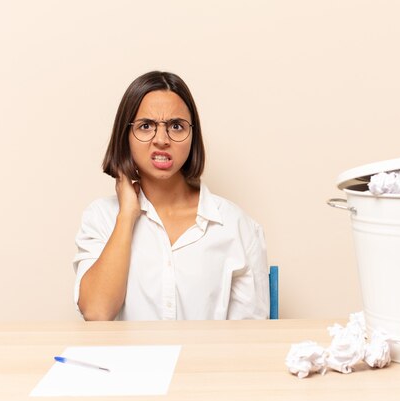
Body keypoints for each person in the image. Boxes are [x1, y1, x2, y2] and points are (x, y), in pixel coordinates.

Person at [73, 71, 269, 321]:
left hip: (207, 361)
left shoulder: (236, 225)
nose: (162, 140)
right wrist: (126, 216)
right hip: (127, 362)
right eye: (146, 126)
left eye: (176, 126)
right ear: (126, 136)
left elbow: (249, 339)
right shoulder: (101, 217)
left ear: (192, 135)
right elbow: (97, 312)